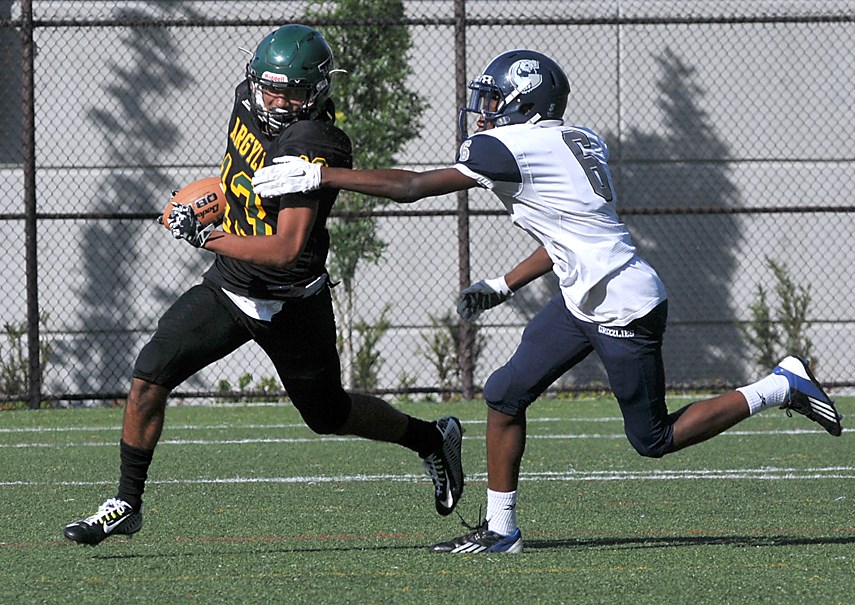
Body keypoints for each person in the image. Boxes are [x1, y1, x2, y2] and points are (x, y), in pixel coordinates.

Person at [250, 48, 844, 554]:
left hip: (621, 307)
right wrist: (504, 285)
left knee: (653, 439)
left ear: (524, 102)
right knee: (505, 393)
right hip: (581, 292)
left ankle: (780, 386)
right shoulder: (575, 139)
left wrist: (320, 176)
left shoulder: (513, 148)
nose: (483, 110)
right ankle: (502, 531)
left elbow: (412, 187)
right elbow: (566, 233)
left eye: (493, 98)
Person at [63, 24, 464, 547]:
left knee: (329, 415)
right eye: (269, 87)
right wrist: (214, 203)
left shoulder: (313, 142)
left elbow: (284, 250)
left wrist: (208, 235)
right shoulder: (247, 98)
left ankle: (432, 437)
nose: (276, 100)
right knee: (149, 376)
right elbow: (235, 176)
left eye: (292, 92)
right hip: (231, 286)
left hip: (291, 299)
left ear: (317, 90)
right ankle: (127, 503)